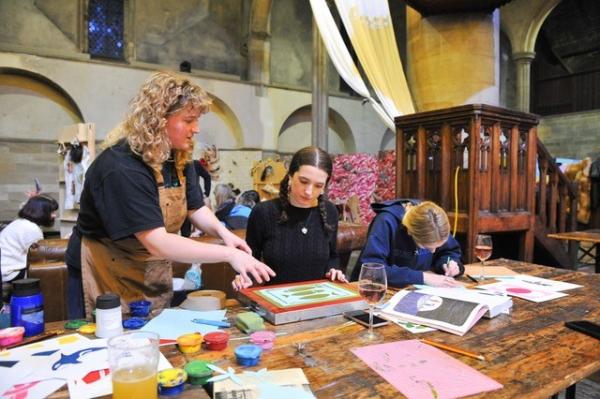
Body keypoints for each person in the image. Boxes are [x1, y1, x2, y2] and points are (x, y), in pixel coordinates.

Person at [66, 71, 274, 317]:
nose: (196, 129)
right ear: (157, 119)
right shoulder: (121, 167)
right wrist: (228, 254)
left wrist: (224, 233)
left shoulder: (178, 156)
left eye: (197, 120)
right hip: (105, 270)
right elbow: (158, 241)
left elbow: (195, 208)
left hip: (145, 266)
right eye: (188, 120)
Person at [232, 146, 346, 290]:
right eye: (304, 181)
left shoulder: (330, 212)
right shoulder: (264, 212)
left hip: (317, 299)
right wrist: (242, 276)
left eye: (318, 185)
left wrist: (333, 270)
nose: (309, 191)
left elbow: (333, 256)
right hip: (275, 300)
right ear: (291, 175)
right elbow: (248, 258)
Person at [352, 199, 463, 287]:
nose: (433, 251)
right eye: (426, 247)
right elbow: (372, 270)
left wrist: (449, 264)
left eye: (437, 247)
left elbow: (449, 251)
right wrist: (422, 277)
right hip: (373, 290)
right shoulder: (386, 222)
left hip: (415, 291)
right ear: (410, 232)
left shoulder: (435, 225)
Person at [0, 194, 58, 283]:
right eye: (52, 212)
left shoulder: (20, 222)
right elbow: (40, 256)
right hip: (10, 273)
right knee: (53, 271)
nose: (55, 215)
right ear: (41, 212)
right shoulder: (32, 228)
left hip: (4, 269)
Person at [180, 157, 212, 237]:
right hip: (179, 197)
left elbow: (207, 177)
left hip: (193, 195)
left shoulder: (195, 164)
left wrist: (206, 194)